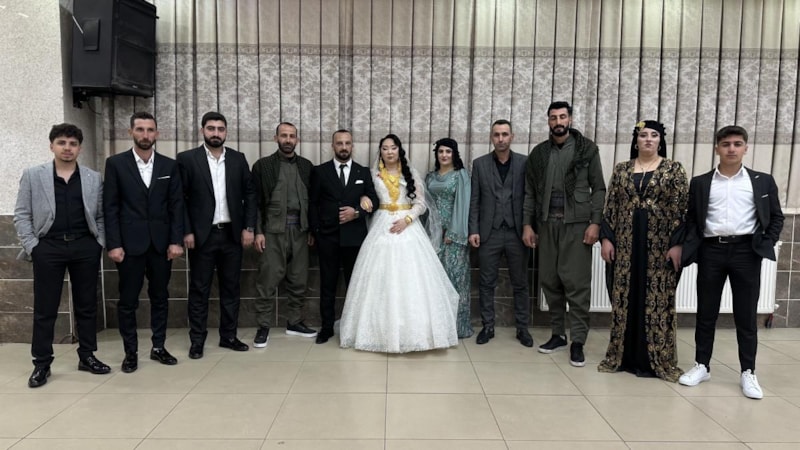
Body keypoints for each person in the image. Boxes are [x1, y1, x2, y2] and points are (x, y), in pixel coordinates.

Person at [678, 125, 784, 399]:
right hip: (711, 251)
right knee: (706, 312)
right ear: (717, 148)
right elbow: (692, 219)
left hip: (746, 252)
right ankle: (702, 365)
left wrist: (766, 242)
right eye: (726, 144)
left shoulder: (762, 181)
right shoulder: (700, 183)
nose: (732, 149)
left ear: (746, 148)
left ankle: (748, 371)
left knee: (746, 315)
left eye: (737, 144)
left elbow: (776, 217)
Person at [339, 134, 458, 353]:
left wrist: (407, 219)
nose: (389, 152)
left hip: (407, 225)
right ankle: (378, 332)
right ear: (380, 152)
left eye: (393, 147)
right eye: (385, 148)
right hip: (381, 225)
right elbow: (367, 196)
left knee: (411, 277)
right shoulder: (373, 175)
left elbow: (421, 204)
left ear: (399, 150)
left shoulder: (410, 173)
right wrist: (364, 199)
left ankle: (415, 334)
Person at [14, 123, 111, 388]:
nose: (67, 148)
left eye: (72, 144)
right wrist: (33, 246)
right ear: (52, 146)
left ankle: (87, 356)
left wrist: (98, 243)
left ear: (79, 148)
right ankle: (42, 363)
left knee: (87, 305)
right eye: (62, 143)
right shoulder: (33, 175)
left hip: (85, 247)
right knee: (45, 309)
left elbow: (101, 215)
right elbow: (22, 214)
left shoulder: (93, 178)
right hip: (48, 248)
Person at [597, 120, 687, 381]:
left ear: (660, 140)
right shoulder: (622, 169)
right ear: (636, 141)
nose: (648, 139)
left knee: (656, 299)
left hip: (659, 248)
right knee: (626, 297)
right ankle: (623, 356)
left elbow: (682, 209)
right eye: (643, 135)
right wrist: (607, 239)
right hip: (625, 245)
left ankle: (656, 358)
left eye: (654, 135)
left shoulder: (673, 169)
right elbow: (611, 207)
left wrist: (677, 244)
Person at [522, 101, 606, 367]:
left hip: (577, 225)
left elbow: (599, 188)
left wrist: (595, 223)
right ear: (548, 121)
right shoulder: (539, 153)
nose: (558, 122)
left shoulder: (587, 150)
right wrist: (527, 225)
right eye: (553, 117)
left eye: (562, 117)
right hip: (546, 225)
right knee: (550, 281)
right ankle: (558, 334)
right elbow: (530, 193)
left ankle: (578, 340)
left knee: (577, 284)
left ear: (569, 119)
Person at [104, 111, 185, 373]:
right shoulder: (116, 164)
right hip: (129, 246)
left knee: (160, 297)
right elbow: (110, 207)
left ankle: (158, 347)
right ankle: (131, 352)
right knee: (128, 301)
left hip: (161, 245)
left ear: (157, 134)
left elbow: (176, 206)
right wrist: (114, 244)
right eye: (140, 129)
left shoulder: (169, 166)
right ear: (131, 132)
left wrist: (176, 241)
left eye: (150, 130)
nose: (145, 135)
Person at [177, 111, 257, 359]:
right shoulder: (187, 159)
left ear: (226, 132)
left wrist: (249, 227)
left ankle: (228, 336)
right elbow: (179, 199)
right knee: (199, 290)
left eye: (220, 129)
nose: (216, 133)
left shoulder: (237, 159)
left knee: (231, 289)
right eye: (211, 128)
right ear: (202, 130)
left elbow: (250, 194)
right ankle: (197, 341)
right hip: (203, 236)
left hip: (232, 235)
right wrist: (187, 230)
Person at [251, 122, 317, 348]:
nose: (288, 140)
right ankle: (263, 326)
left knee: (299, 279)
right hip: (272, 232)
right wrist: (258, 231)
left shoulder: (306, 166)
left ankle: (294, 322)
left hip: (301, 231)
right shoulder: (263, 166)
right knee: (268, 279)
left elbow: (314, 202)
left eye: (292, 136)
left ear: (297, 140)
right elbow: (255, 202)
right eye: (284, 136)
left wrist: (311, 229)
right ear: (276, 138)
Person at [309, 129, 378, 344]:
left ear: (352, 146)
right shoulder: (319, 171)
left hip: (355, 239)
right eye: (339, 143)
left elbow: (374, 200)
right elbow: (312, 203)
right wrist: (316, 231)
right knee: (327, 284)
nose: (344, 147)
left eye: (347, 143)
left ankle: (354, 327)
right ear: (333, 146)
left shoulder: (363, 172)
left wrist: (356, 212)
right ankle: (326, 328)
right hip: (327, 238)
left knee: (354, 285)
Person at [469, 120, 533, 347]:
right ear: (491, 137)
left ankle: (522, 328)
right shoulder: (480, 164)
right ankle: (488, 326)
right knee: (486, 282)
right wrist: (473, 230)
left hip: (517, 232)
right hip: (490, 232)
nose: (501, 139)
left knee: (520, 283)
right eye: (496, 134)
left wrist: (529, 226)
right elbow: (475, 200)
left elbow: (530, 197)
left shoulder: (525, 163)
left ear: (512, 137)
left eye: (505, 134)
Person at [426, 137, 473, 338]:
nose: (444, 155)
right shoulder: (430, 177)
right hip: (432, 233)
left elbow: (464, 204)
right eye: (441, 151)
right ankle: (439, 327)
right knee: (435, 280)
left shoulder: (460, 175)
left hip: (453, 235)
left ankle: (458, 327)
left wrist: (452, 232)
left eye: (448, 151)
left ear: (454, 154)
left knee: (455, 279)